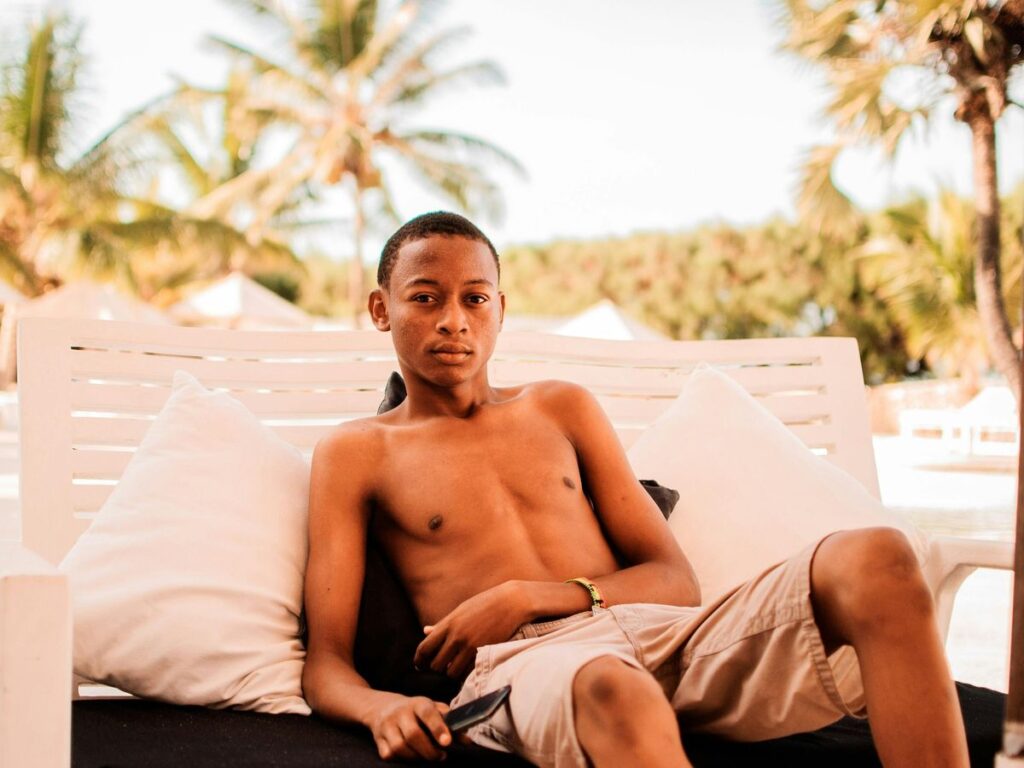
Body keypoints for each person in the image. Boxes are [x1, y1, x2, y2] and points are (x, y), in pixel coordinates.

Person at [301, 211, 969, 768]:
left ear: (501, 310)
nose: (454, 319)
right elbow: (325, 665)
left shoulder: (561, 407)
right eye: (425, 297)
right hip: (529, 666)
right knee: (615, 689)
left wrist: (527, 595)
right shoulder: (357, 452)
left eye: (474, 298)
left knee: (878, 556)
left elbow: (677, 581)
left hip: (664, 634)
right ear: (380, 309)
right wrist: (383, 707)